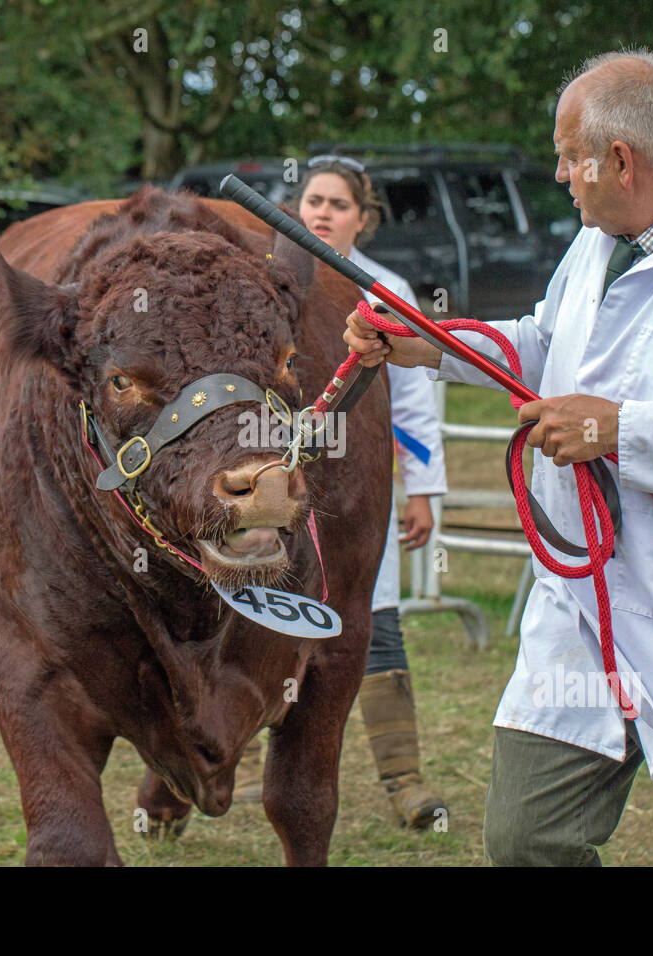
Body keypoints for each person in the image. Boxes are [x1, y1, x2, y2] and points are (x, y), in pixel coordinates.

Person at [345, 49, 653, 866]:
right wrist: (425, 343)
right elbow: (546, 347)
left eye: (567, 158)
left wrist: (619, 430)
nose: (557, 175)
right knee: (527, 837)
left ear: (620, 161)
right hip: (586, 608)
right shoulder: (599, 239)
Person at [235, 156, 450, 829]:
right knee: (257, 622)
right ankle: (227, 771)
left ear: (364, 218)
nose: (323, 213)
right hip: (276, 480)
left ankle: (404, 779)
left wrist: (422, 488)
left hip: (354, 486)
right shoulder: (260, 283)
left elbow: (414, 402)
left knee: (373, 621)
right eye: (314, 201)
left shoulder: (386, 291)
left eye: (339, 204)